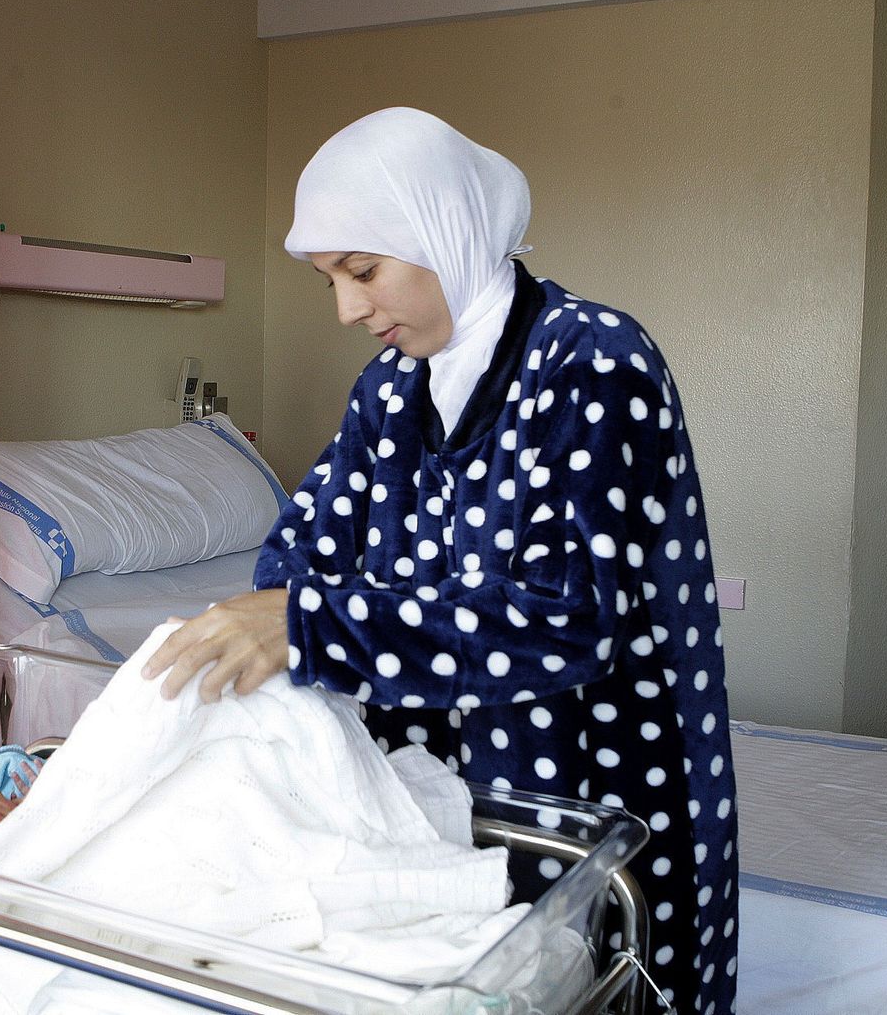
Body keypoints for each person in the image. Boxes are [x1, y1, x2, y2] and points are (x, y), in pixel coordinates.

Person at [144, 107, 737, 1014]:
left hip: (595, 774)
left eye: (362, 271)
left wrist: (315, 626)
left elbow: (569, 618)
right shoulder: (391, 387)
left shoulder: (595, 361)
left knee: (598, 981)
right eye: (329, 280)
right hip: (434, 792)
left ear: (442, 230)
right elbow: (302, 549)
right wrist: (287, 615)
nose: (347, 310)